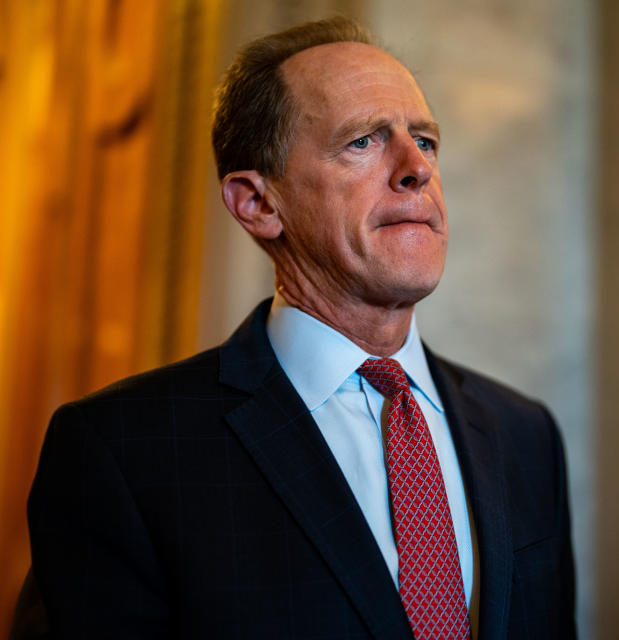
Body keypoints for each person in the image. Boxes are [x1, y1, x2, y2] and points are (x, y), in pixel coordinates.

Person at [21, 16, 575, 640]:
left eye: (425, 140)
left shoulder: (524, 434)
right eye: (363, 141)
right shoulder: (121, 449)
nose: (415, 168)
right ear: (258, 204)